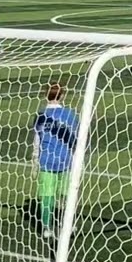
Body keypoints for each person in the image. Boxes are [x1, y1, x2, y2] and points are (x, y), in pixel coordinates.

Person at [29, 83, 80, 240]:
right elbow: (76, 139)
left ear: (45, 95)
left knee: (47, 196)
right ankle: (69, 225)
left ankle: (46, 228)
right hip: (66, 160)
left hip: (46, 160)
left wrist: (35, 161)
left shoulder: (40, 116)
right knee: (67, 195)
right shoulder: (70, 114)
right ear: (63, 96)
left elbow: (37, 140)